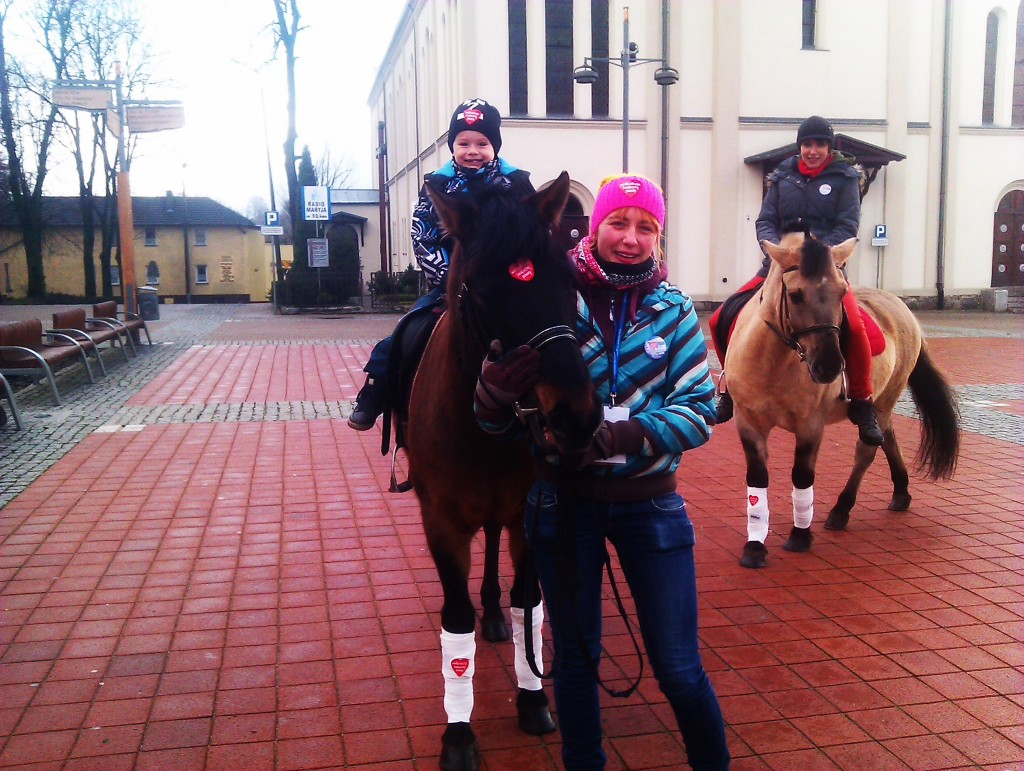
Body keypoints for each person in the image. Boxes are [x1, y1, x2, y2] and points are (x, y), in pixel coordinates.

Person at [474, 175, 730, 770]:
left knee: (678, 665)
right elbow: (501, 429)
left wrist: (622, 435)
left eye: (646, 228)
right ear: (594, 227)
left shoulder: (676, 312)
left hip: (651, 504)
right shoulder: (550, 299)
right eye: (618, 223)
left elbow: (700, 413)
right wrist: (488, 396)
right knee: (576, 659)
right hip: (565, 504)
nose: (631, 239)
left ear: (659, 237)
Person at [348, 98, 535, 430]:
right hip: (451, 284)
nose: (472, 150)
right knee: (407, 331)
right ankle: (376, 391)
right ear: (453, 147)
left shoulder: (516, 182)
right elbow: (423, 234)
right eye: (464, 143)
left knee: (548, 332)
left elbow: (533, 230)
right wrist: (451, 279)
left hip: (506, 285)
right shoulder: (436, 184)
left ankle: (558, 405)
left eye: (482, 143)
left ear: (495, 146)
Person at [709, 114, 883, 446]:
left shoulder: (846, 179)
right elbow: (766, 220)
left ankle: (862, 402)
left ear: (829, 148)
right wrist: (775, 249)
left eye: (819, 144)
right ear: (800, 146)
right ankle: (730, 388)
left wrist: (819, 252)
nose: (812, 150)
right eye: (807, 143)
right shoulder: (783, 177)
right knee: (722, 317)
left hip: (824, 270)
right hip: (782, 267)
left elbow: (848, 225)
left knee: (857, 328)